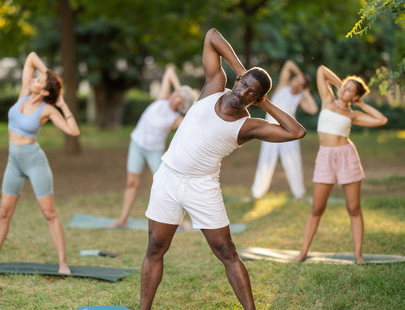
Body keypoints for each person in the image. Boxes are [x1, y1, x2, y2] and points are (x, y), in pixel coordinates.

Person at [139, 28, 306, 310]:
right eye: (243, 85)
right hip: (168, 176)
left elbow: (296, 132)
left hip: (201, 186)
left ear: (256, 100)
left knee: (226, 251)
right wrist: (242, 71)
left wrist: (266, 103)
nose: (242, 93)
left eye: (252, 94)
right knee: (155, 247)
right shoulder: (215, 85)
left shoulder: (248, 125)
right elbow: (212, 35)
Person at [0, 52, 80, 274]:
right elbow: (31, 57)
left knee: (49, 214)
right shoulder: (24, 93)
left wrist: (62, 104)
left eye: (39, 80)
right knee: (4, 211)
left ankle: (63, 262)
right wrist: (48, 73)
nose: (33, 79)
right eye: (35, 77)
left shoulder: (48, 110)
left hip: (34, 161)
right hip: (13, 161)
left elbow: (73, 130)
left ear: (44, 92)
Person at [294, 65, 388, 264]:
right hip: (325, 157)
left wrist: (360, 104)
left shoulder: (353, 115)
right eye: (343, 86)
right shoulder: (327, 100)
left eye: (348, 90)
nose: (343, 90)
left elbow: (381, 120)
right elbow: (320, 70)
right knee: (316, 208)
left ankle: (358, 255)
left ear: (354, 97)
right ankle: (303, 252)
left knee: (354, 208)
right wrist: (343, 85)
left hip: (347, 156)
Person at [112, 65, 194, 229]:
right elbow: (170, 71)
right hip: (136, 144)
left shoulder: (177, 119)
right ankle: (123, 219)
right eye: (176, 93)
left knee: (164, 186)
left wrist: (187, 99)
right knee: (131, 183)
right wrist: (182, 90)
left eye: (180, 98)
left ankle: (179, 221)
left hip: (154, 151)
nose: (175, 95)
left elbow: (194, 121)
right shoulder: (162, 98)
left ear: (182, 105)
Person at [251, 60, 318, 200]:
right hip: (270, 128)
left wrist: (305, 92)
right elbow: (288, 64)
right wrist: (301, 75)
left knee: (293, 161)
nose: (295, 81)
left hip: (289, 131)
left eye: (299, 82)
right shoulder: (283, 86)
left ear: (301, 86)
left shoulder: (299, 98)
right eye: (295, 79)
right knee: (266, 160)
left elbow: (313, 109)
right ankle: (257, 193)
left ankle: (298, 193)